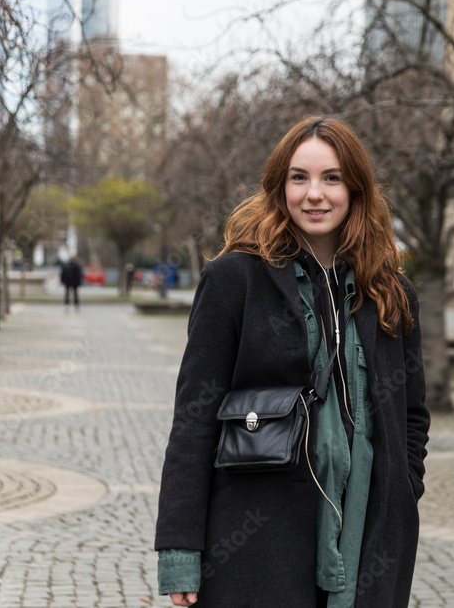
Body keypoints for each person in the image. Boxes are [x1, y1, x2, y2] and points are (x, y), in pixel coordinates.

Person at [154, 117, 430, 607]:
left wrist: (403, 490)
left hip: (371, 532)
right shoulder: (232, 281)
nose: (314, 194)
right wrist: (181, 551)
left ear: (356, 189)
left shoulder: (391, 292)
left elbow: (411, 413)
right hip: (258, 538)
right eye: (299, 178)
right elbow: (194, 422)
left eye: (332, 178)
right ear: (279, 188)